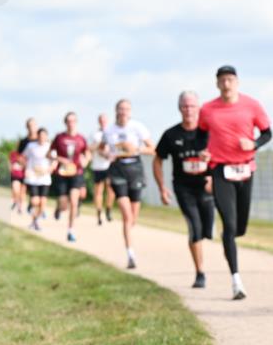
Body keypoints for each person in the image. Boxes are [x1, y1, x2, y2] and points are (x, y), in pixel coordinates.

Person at [199, 65, 272, 299]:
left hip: (245, 170)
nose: (226, 84)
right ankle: (236, 280)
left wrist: (254, 144)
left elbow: (267, 133)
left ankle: (232, 236)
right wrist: (203, 152)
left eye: (230, 79)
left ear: (237, 82)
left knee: (240, 226)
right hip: (220, 170)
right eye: (222, 80)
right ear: (217, 83)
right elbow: (200, 136)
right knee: (229, 227)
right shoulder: (208, 109)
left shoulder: (252, 105)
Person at [154, 91, 214, 288]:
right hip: (183, 187)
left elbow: (222, 155)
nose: (188, 110)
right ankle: (200, 273)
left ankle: (204, 234)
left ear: (199, 108)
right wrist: (162, 187)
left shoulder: (208, 132)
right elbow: (157, 160)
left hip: (205, 187)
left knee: (207, 229)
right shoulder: (171, 134)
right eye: (185, 106)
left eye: (192, 106)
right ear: (180, 108)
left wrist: (212, 171)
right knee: (194, 228)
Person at [100, 99, 154, 269]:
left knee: (133, 218)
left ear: (130, 112)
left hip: (135, 168)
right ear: (116, 111)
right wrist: (108, 155)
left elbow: (152, 148)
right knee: (127, 215)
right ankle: (130, 253)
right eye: (120, 109)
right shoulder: (109, 130)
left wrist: (135, 149)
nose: (123, 112)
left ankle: (128, 238)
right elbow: (101, 149)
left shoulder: (137, 127)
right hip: (117, 170)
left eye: (126, 109)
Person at [50, 112, 90, 242]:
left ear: (76, 122)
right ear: (65, 123)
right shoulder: (59, 137)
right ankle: (58, 208)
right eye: (68, 121)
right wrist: (59, 158)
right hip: (61, 173)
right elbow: (49, 154)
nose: (71, 123)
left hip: (76, 173)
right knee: (64, 205)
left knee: (74, 202)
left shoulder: (81, 138)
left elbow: (87, 153)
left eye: (73, 121)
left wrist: (86, 161)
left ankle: (71, 230)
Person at [24, 128, 53, 231]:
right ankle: (34, 219)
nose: (42, 138)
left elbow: (55, 161)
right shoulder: (31, 146)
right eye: (40, 136)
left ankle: (36, 220)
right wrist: (26, 169)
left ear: (46, 137)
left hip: (45, 178)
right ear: (37, 136)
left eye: (44, 136)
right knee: (35, 201)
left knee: (42, 203)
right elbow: (24, 158)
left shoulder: (50, 147)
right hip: (33, 177)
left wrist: (50, 169)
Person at [89, 113, 115, 225]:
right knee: (98, 191)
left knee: (111, 190)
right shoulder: (94, 134)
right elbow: (89, 148)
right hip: (98, 166)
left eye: (104, 120)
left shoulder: (112, 132)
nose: (103, 122)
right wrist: (99, 147)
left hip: (110, 165)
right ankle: (99, 213)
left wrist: (109, 155)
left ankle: (108, 209)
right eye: (101, 120)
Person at [16, 118, 39, 214]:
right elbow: (19, 156)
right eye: (29, 126)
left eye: (33, 125)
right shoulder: (23, 141)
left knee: (36, 190)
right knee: (23, 187)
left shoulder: (41, 139)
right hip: (26, 168)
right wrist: (25, 166)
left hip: (38, 169)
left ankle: (32, 205)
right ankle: (20, 207)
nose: (31, 128)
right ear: (27, 127)